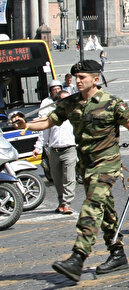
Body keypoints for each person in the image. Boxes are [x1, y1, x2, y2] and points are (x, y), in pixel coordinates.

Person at [12, 60, 129, 282]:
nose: (77, 80)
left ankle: (78, 257)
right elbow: (48, 121)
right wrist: (25, 125)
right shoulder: (71, 102)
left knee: (92, 206)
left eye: (82, 77)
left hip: (107, 164)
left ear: (95, 79)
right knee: (106, 210)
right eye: (76, 77)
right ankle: (117, 252)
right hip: (86, 165)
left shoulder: (112, 103)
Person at [33, 79, 77, 214]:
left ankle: (67, 203)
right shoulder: (52, 116)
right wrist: (38, 147)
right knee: (57, 179)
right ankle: (60, 202)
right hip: (54, 151)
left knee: (69, 178)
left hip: (70, 149)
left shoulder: (75, 115)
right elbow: (44, 133)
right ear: (58, 103)